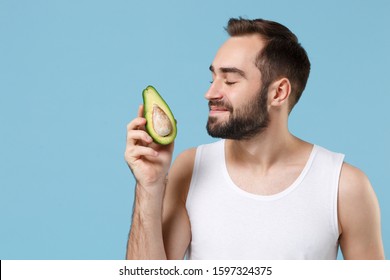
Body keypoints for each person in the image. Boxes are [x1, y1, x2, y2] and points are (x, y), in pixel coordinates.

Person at [124, 18, 385, 260]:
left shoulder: (343, 186)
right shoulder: (190, 168)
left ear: (278, 93)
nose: (210, 92)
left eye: (230, 81)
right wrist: (149, 186)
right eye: (213, 77)